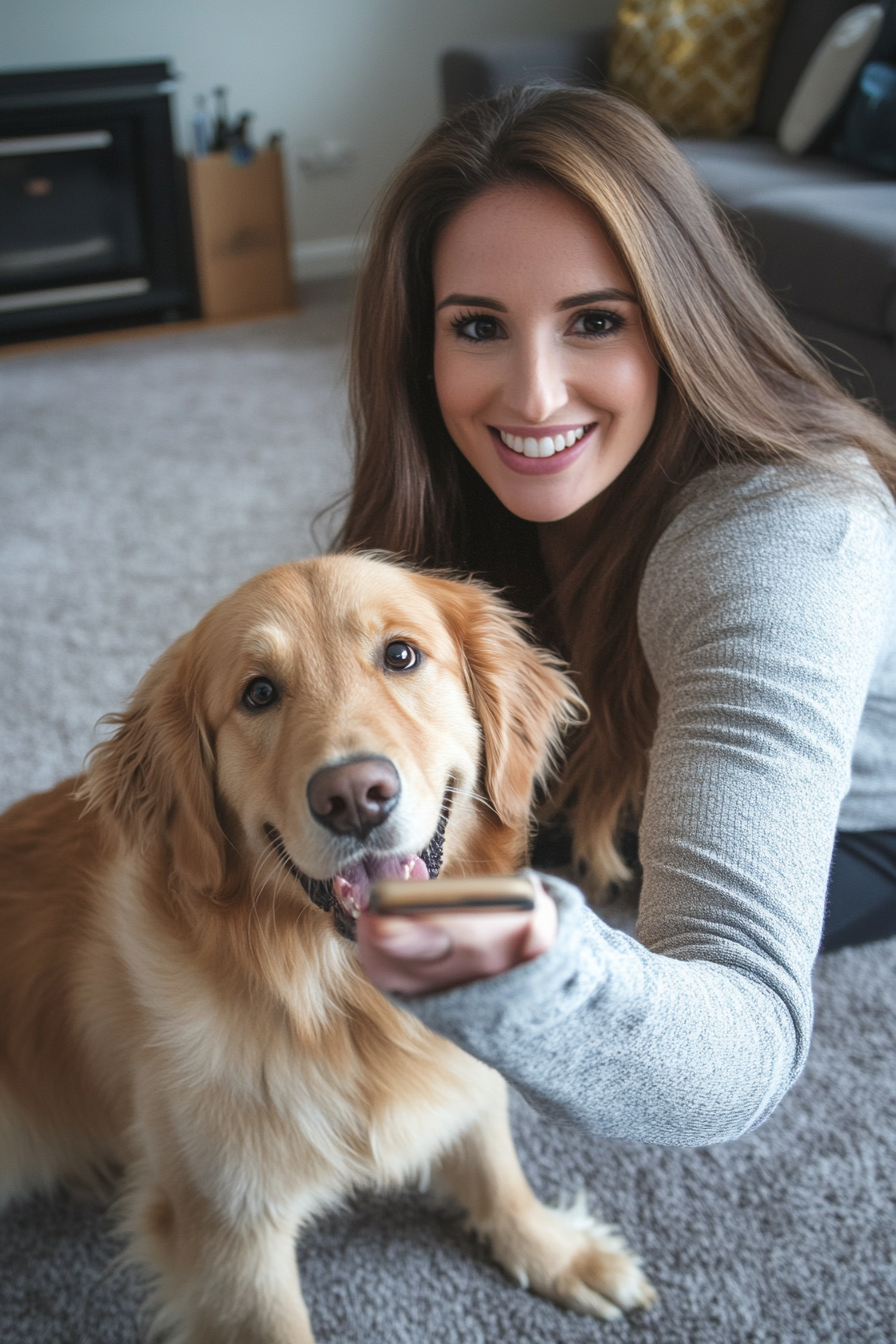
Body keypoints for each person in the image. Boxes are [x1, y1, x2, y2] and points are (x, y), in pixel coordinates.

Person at [336, 85, 896, 1146]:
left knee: (563, 892)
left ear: (679, 319)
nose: (534, 397)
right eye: (477, 328)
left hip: (863, 817)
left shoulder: (784, 539)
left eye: (593, 322)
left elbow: (731, 1054)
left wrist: (530, 963)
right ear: (423, 349)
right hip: (613, 748)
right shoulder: (446, 488)